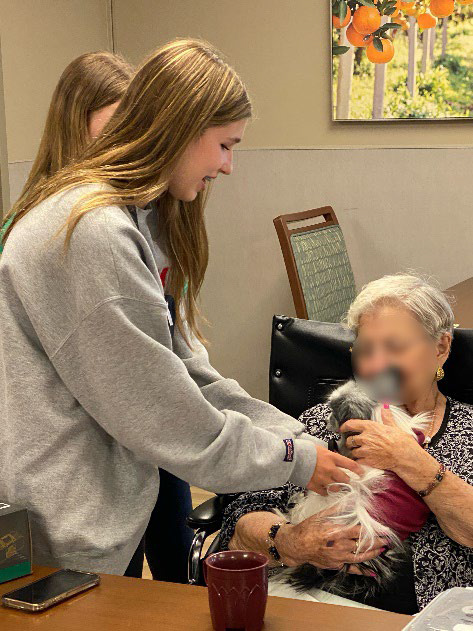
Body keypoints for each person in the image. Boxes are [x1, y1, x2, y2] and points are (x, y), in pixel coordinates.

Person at [0, 38, 361, 575]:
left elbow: (189, 373)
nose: (229, 166)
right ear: (181, 129)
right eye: (224, 145)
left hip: (101, 503)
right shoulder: (91, 231)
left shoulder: (127, 219)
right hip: (66, 532)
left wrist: (299, 438)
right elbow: (167, 415)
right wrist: (296, 460)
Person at [6, 49, 192, 583]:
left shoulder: (146, 216)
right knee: (113, 584)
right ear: (74, 126)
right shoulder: (54, 229)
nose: (129, 144)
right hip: (88, 464)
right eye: (114, 127)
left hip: (151, 433)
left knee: (178, 565)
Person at [220, 274, 473, 613]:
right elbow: (244, 512)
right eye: (365, 350)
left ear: (440, 348)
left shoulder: (467, 429)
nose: (375, 366)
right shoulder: (328, 420)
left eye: (395, 348)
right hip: (302, 601)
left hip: (415, 616)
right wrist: (290, 541)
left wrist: (409, 460)